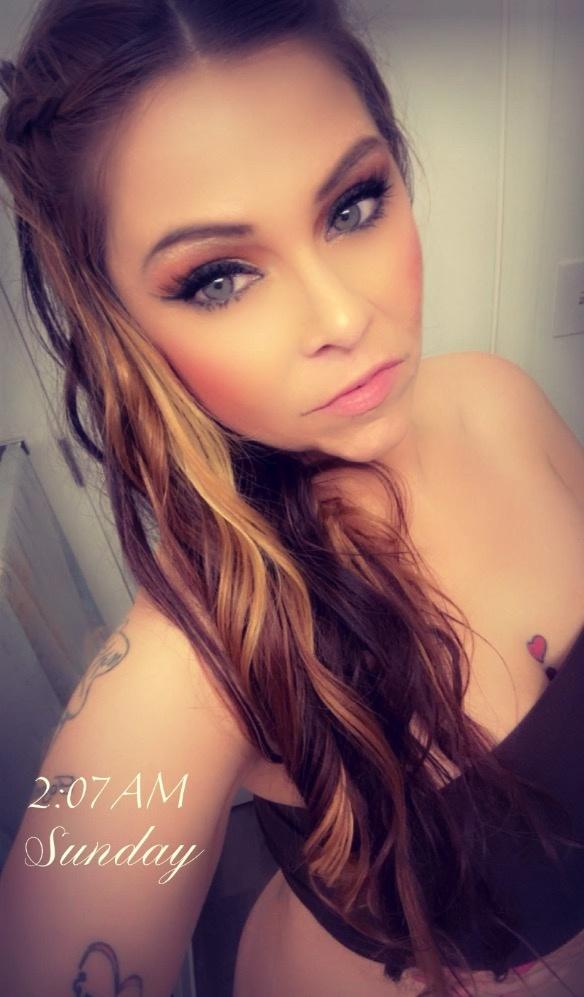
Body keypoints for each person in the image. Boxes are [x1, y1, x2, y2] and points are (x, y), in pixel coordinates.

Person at [0, 1, 583, 994]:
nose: (343, 315)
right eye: (219, 277)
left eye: (352, 205)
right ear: (120, 326)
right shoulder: (205, 645)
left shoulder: (498, 395)